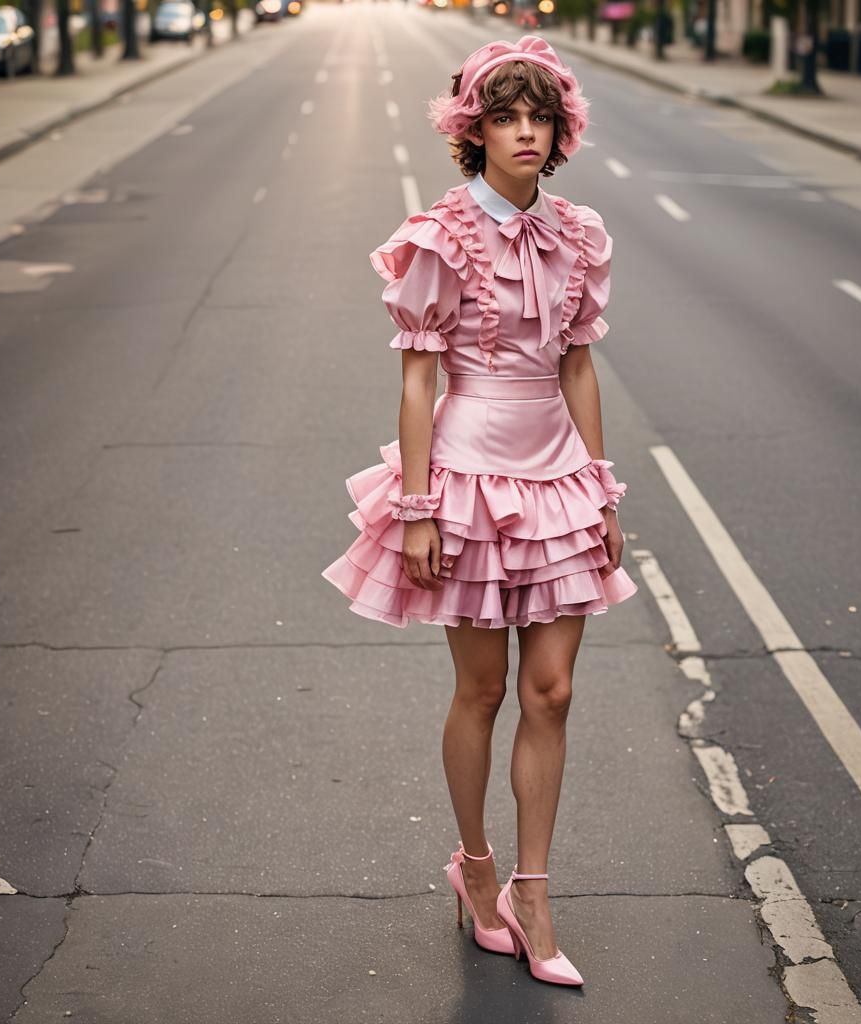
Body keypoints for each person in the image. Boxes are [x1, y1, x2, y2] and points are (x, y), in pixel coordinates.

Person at [321, 35, 638, 988]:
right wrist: (418, 507)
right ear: (475, 131)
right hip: (464, 472)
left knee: (554, 692)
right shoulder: (442, 234)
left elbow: (578, 361)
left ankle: (532, 894)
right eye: (507, 117)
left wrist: (601, 484)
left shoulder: (578, 233)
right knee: (485, 691)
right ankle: (476, 867)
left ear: (561, 129)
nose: (527, 133)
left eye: (540, 117)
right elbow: (420, 379)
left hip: (557, 471)